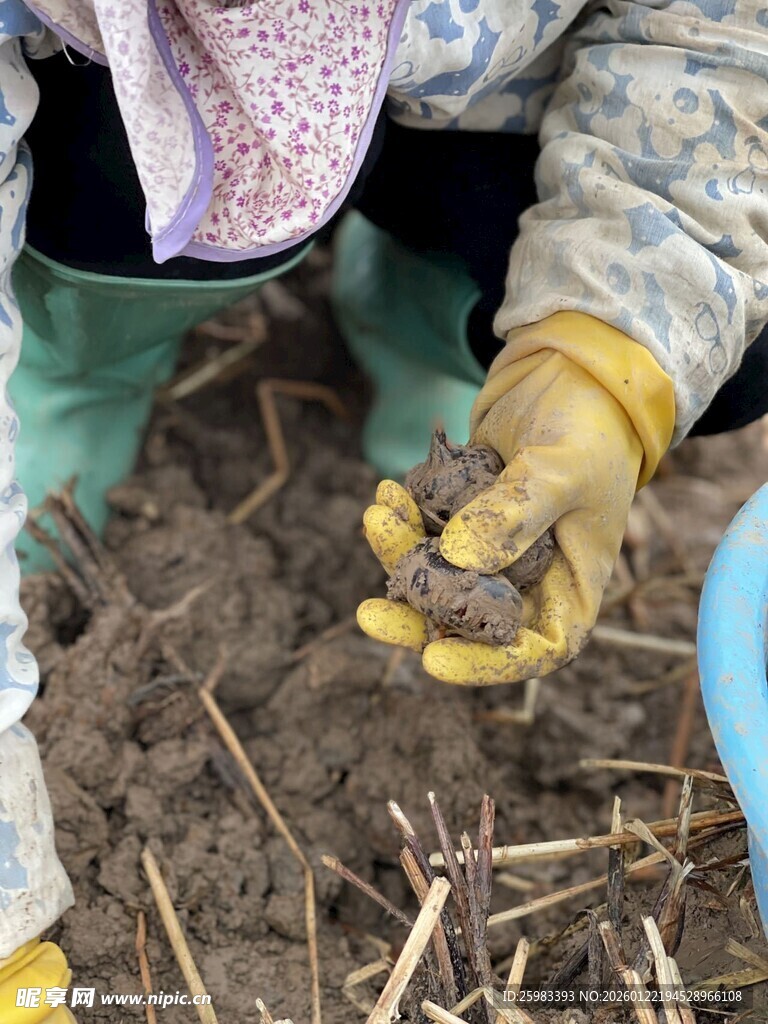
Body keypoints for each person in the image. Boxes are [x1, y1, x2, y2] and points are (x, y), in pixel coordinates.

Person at [1, 1, 767, 1018]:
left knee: (740, 346)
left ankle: (430, 311)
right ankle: (79, 350)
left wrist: (603, 348)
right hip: (109, 99)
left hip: (477, 85)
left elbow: (720, 32)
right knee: (105, 179)